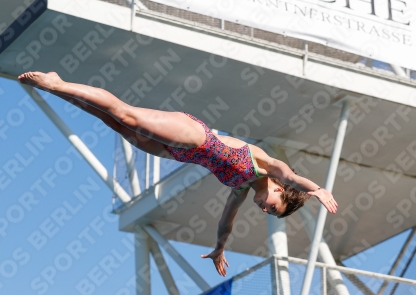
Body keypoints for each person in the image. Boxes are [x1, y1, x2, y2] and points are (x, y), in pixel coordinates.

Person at [18, 71, 338, 276]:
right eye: (272, 205)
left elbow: (226, 221)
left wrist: (220, 248)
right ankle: (56, 83)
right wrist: (317, 188)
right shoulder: (265, 164)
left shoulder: (240, 189)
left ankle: (58, 89)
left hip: (179, 152)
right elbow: (291, 175)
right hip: (195, 136)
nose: (264, 208)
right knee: (126, 115)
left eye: (268, 212)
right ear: (280, 189)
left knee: (113, 123)